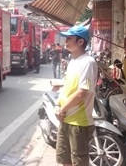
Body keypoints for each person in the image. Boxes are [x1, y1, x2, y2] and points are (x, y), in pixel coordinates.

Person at [54, 25, 98, 166]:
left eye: (69, 38)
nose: (66, 41)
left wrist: (62, 109)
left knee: (78, 161)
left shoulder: (88, 62)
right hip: (65, 119)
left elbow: (81, 93)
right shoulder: (73, 61)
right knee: (64, 159)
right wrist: (57, 105)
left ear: (80, 42)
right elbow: (67, 88)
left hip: (79, 122)